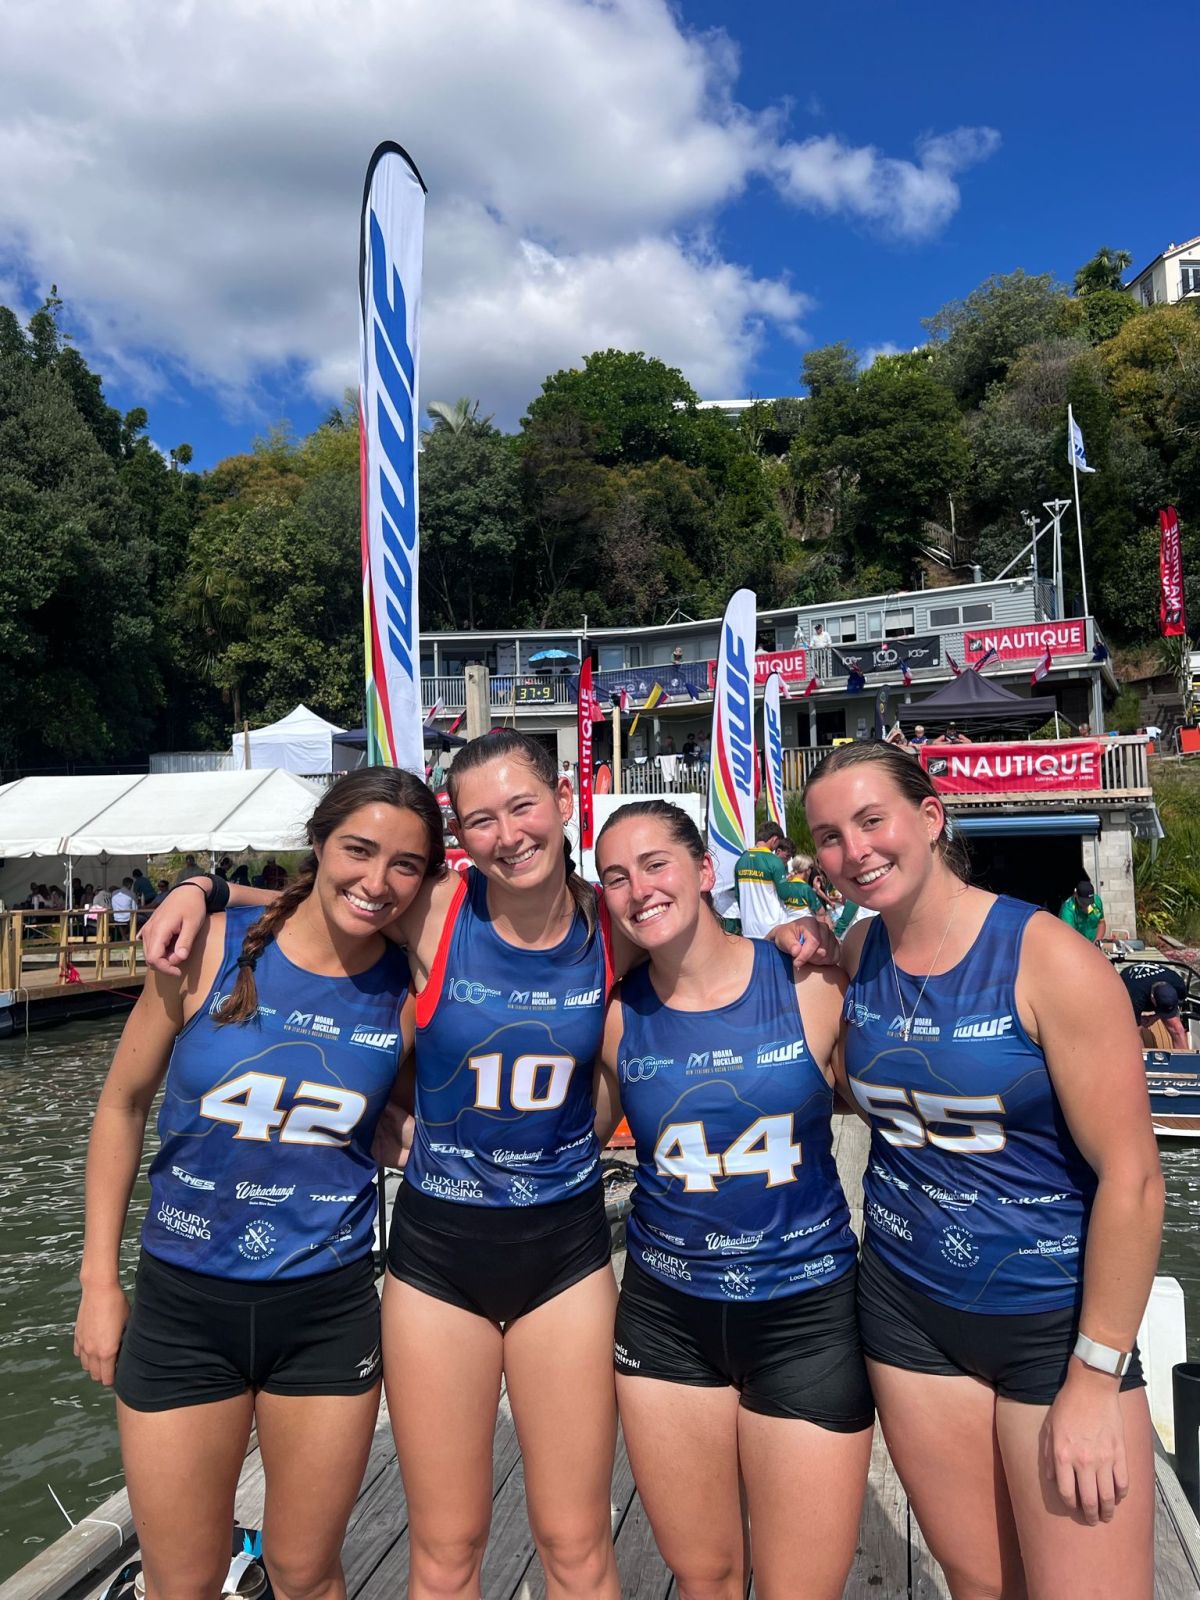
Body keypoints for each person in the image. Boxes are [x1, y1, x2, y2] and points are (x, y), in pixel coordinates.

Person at [803, 742, 1162, 1599]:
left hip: (1052, 1324)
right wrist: (798, 951)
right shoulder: (860, 949)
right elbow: (853, 1087)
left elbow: (1134, 1179)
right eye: (829, 836)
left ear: (930, 818)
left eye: (872, 821)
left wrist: (1094, 1378)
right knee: (982, 1584)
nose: (855, 851)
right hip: (908, 1313)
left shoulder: (1048, 958)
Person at [74, 769, 442, 1600]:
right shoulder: (208, 946)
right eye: (358, 850)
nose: (377, 881)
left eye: (406, 865)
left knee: (306, 1572)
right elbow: (122, 1106)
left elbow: (403, 1117)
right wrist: (98, 1283)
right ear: (318, 844)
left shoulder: (407, 990)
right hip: (182, 1307)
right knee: (182, 1580)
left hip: (324, 1311)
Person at [593, 801, 873, 1598]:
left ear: (705, 871)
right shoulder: (616, 1014)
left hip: (805, 1316)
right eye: (616, 877)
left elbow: (897, 1090)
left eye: (656, 864)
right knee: (705, 1574)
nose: (639, 888)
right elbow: (562, 1136)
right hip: (667, 1319)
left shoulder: (807, 980)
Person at [733, 822, 787, 938]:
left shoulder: (741, 861)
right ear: (774, 839)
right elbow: (784, 894)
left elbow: (738, 895)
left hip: (748, 929)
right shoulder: (775, 861)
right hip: (772, 928)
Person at [1060, 879, 1106, 944]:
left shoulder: (1096, 901)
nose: (1087, 906)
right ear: (1076, 895)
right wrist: (1085, 948)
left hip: (1094, 944)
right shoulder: (1068, 911)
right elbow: (1069, 937)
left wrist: (1096, 942)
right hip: (1077, 945)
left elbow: (1101, 923)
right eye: (1083, 903)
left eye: (1089, 903)